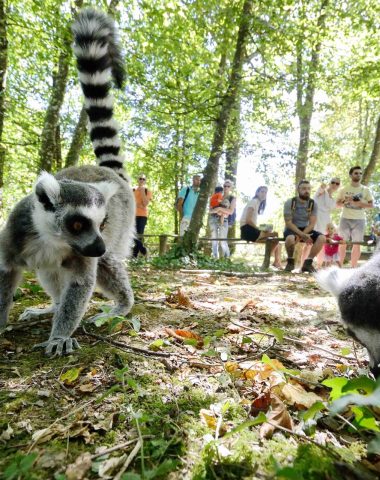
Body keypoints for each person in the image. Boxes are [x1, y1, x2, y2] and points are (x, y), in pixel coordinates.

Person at [283, 180, 325, 273]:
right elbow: (288, 223)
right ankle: (290, 262)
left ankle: (308, 263)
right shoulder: (290, 202)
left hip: (306, 229)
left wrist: (303, 234)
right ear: (298, 190)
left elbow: (312, 224)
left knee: (322, 238)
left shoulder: (313, 204)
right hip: (292, 228)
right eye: (304, 188)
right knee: (290, 238)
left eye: (309, 189)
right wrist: (301, 235)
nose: (307, 191)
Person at [336, 166, 374, 267]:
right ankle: (339, 267)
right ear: (351, 175)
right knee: (342, 243)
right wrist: (346, 201)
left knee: (357, 244)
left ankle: (353, 268)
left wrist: (360, 203)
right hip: (345, 218)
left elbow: (371, 205)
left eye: (360, 173)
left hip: (360, 219)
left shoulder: (365, 190)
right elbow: (337, 204)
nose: (359, 175)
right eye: (356, 173)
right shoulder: (344, 189)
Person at [302, 177, 340, 267]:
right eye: (333, 182)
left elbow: (334, 206)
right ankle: (302, 265)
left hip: (325, 221)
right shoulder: (322, 192)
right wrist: (322, 188)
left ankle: (318, 266)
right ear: (330, 183)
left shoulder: (333, 200)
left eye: (337, 184)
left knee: (321, 244)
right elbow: (319, 192)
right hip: (315, 219)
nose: (334, 184)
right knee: (308, 244)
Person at [240, 186, 281, 268]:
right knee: (275, 236)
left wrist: (263, 228)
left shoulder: (257, 203)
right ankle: (266, 262)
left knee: (277, 242)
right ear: (257, 193)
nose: (264, 194)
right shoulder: (254, 202)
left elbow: (251, 221)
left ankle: (276, 262)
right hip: (247, 230)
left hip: (249, 229)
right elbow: (248, 220)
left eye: (266, 192)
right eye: (262, 191)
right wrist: (259, 229)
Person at [209, 180, 236, 259]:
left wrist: (219, 208)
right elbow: (210, 210)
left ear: (231, 188)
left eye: (228, 186)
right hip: (213, 219)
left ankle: (227, 259)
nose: (226, 187)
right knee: (214, 241)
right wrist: (218, 211)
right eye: (225, 186)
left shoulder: (232, 198)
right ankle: (215, 259)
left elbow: (230, 211)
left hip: (224, 221)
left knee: (223, 241)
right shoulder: (217, 195)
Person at [133, 174, 152, 257]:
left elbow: (145, 203)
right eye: (140, 178)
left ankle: (134, 255)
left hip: (142, 216)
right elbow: (130, 203)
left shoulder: (148, 191)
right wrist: (137, 205)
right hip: (133, 215)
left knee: (139, 235)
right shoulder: (132, 190)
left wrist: (142, 192)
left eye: (143, 179)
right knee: (133, 234)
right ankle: (143, 251)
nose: (141, 180)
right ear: (137, 180)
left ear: (145, 181)